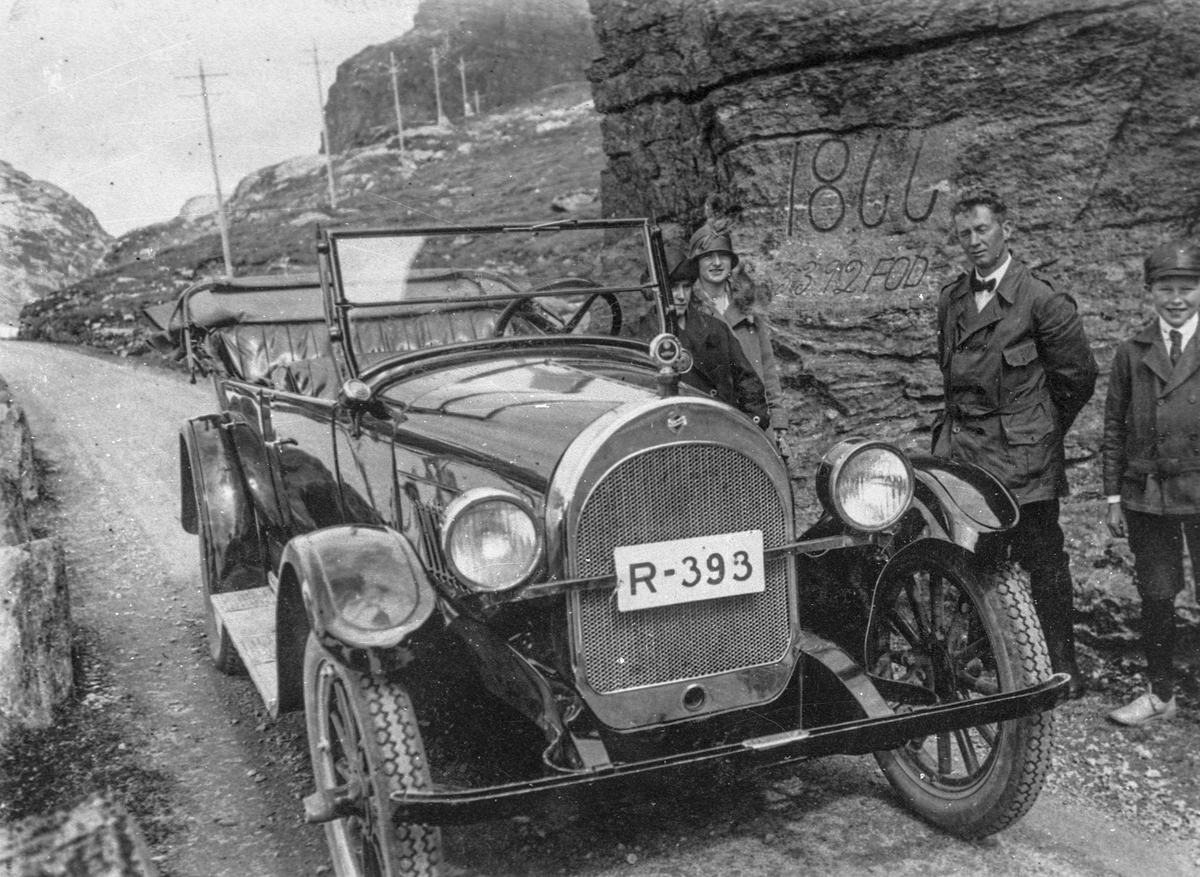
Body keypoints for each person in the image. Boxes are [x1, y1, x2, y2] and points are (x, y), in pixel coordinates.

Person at [933, 189, 1098, 697]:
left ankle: (1064, 668)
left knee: (1043, 560)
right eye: (965, 234)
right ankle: (995, 663)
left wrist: (1037, 431)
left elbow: (1078, 378)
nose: (974, 242)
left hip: (1025, 461)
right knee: (980, 560)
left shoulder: (1041, 299)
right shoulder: (952, 299)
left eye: (983, 229)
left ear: (1007, 230)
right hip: (968, 458)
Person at [1102, 240, 1200, 726]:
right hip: (1148, 493)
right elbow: (1114, 426)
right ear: (1150, 291)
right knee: (1156, 594)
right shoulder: (1133, 351)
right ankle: (1160, 693)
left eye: (1187, 288)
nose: (1176, 298)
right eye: (1166, 288)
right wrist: (1114, 497)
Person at [687, 223, 790, 452]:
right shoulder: (689, 313)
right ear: (696, 263)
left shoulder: (748, 308)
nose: (716, 263)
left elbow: (767, 370)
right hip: (710, 425)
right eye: (708, 257)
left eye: (722, 256)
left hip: (755, 420)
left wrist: (778, 421)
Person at [663, 243, 769, 430]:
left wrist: (749, 425)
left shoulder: (715, 329)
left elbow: (748, 382)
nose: (681, 296)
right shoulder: (642, 336)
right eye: (673, 288)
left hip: (718, 430)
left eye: (686, 287)